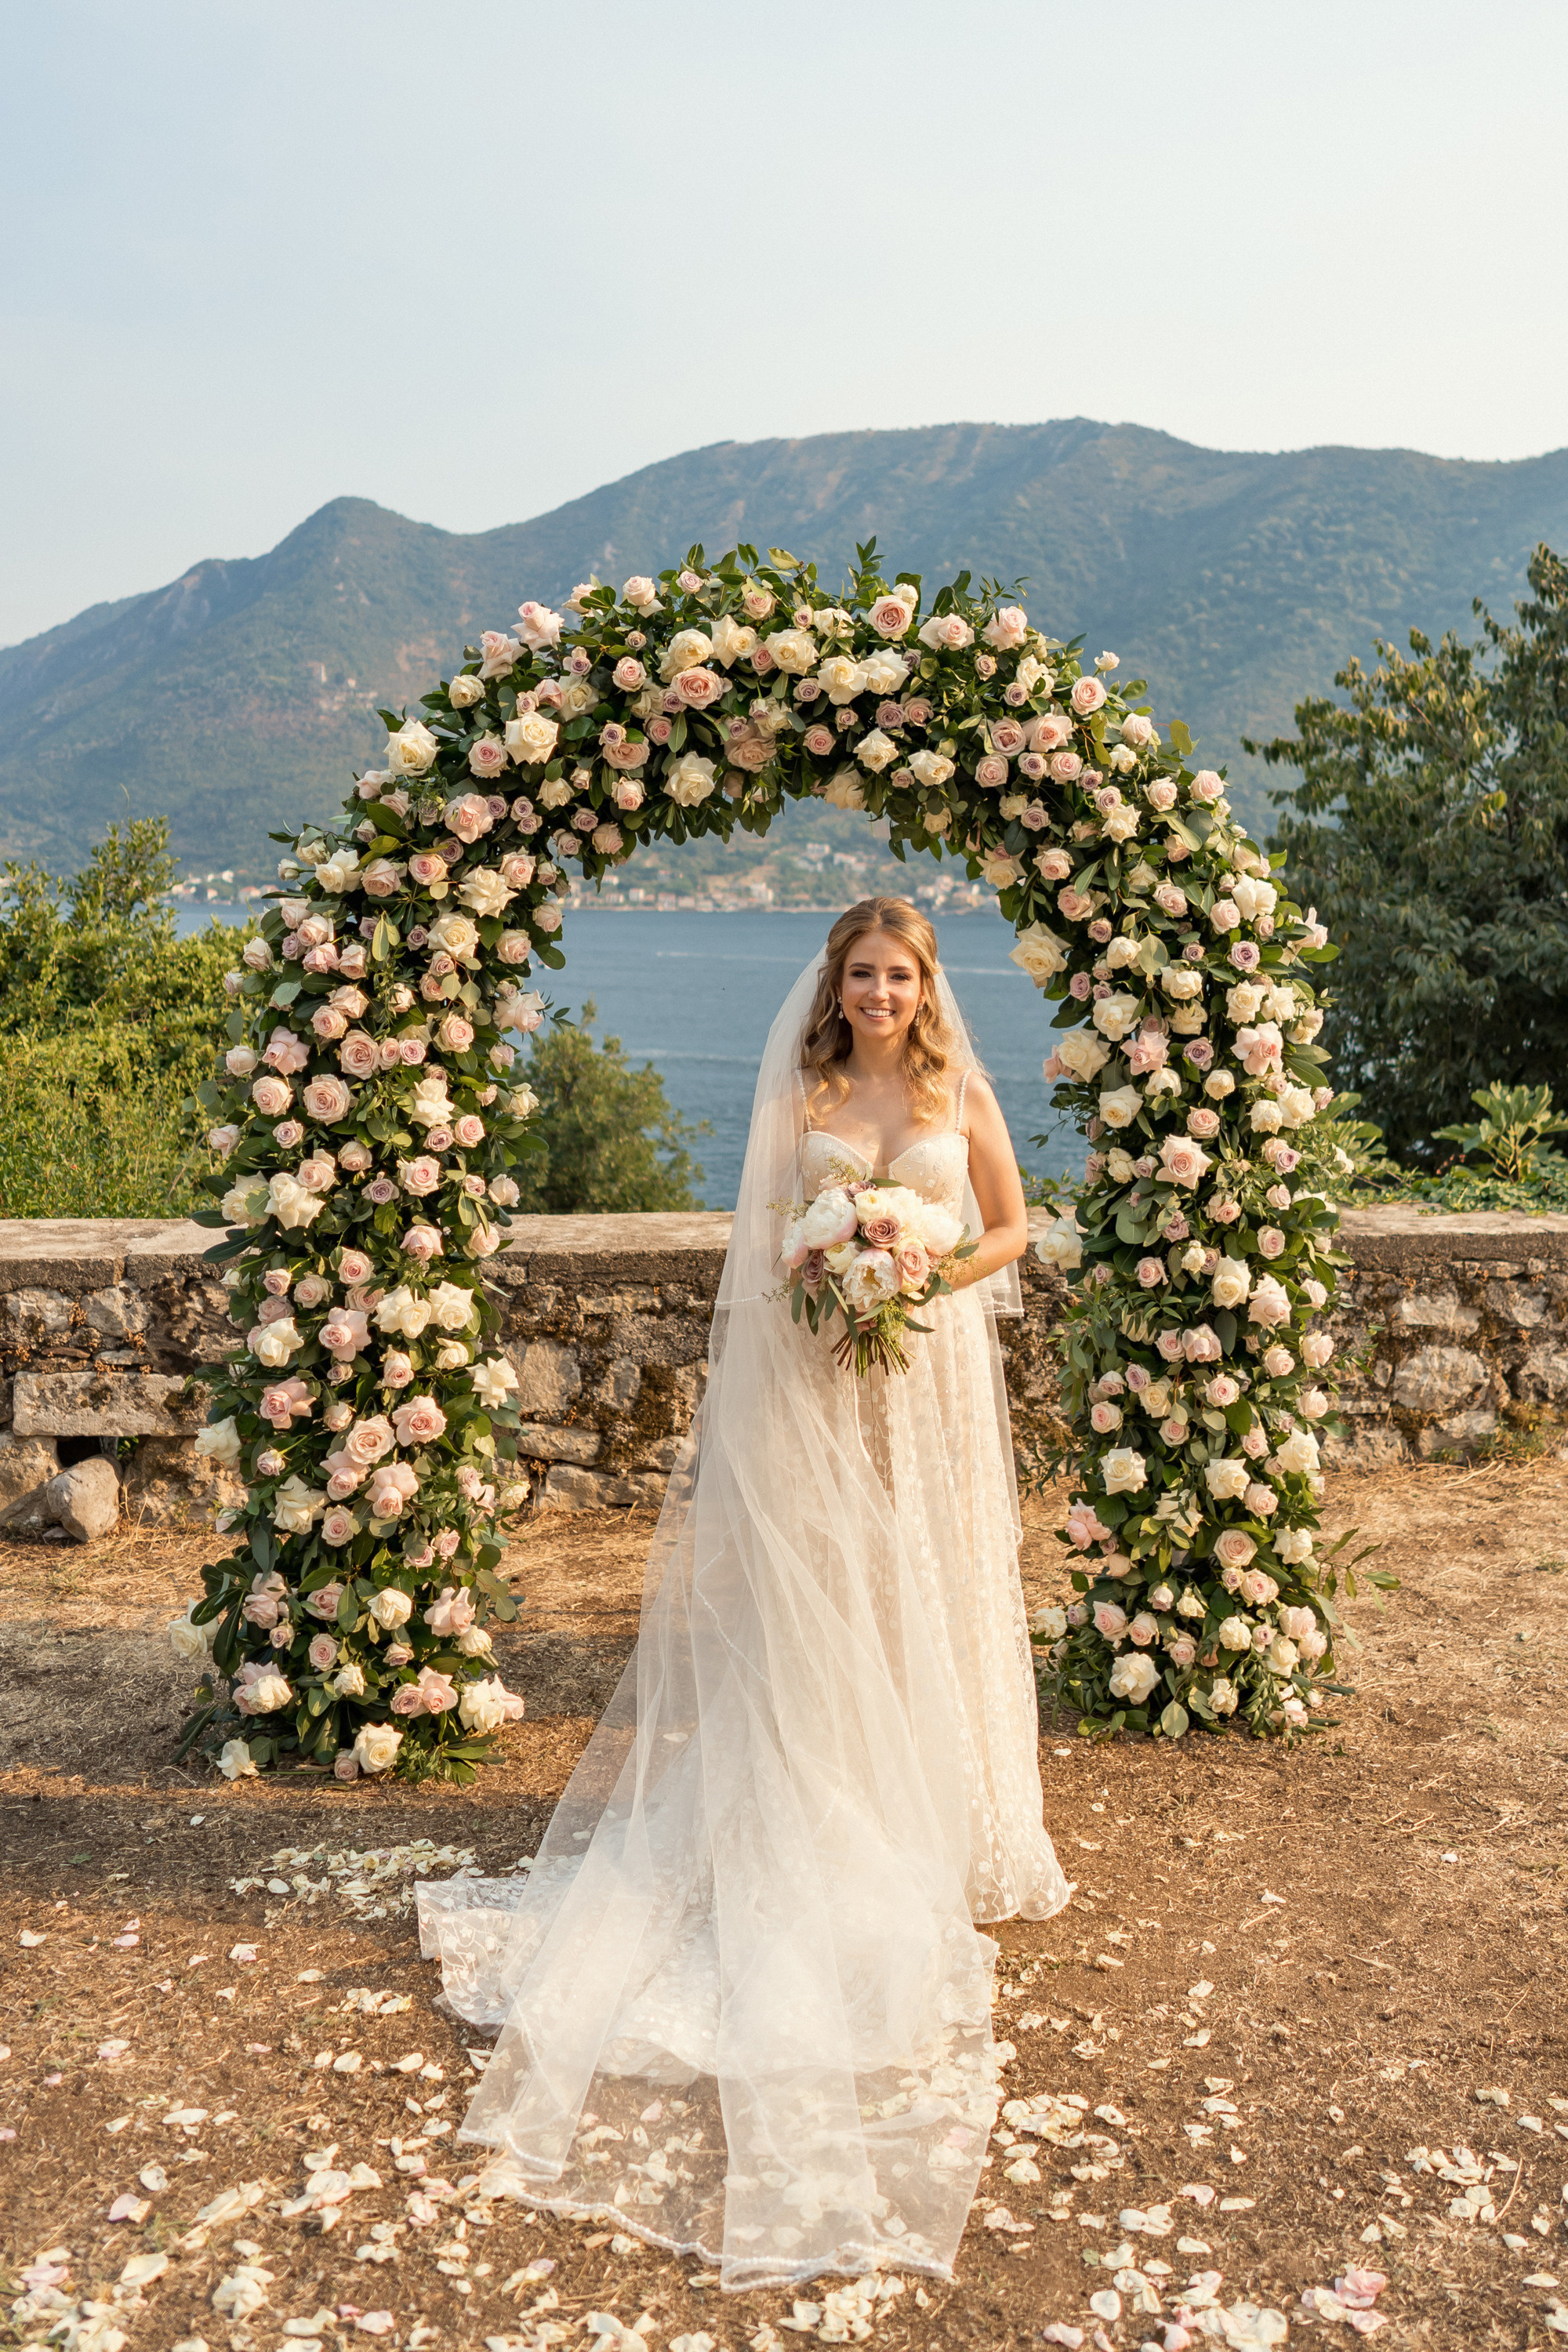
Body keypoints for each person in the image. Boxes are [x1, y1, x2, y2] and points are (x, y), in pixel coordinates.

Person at [416, 896, 1072, 2290]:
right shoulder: (808, 1084)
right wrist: (839, 1275)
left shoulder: (959, 1089)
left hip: (934, 1373)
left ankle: (948, 1815)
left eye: (899, 974)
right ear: (833, 987)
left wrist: (924, 1269)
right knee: (829, 1601)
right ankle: (831, 1803)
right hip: (826, 1374)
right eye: (861, 974)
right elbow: (768, 1242)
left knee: (928, 1588)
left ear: (926, 984)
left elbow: (1015, 1227)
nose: (881, 992)